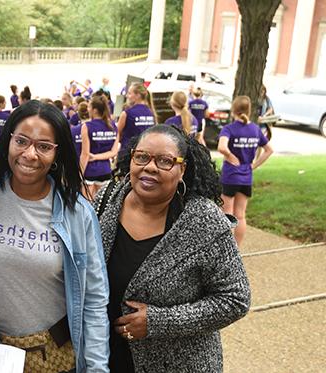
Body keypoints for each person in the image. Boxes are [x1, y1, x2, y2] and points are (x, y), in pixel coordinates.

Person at [0, 100, 110, 373]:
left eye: (43, 146)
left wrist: (97, 368)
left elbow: (94, 300)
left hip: (58, 357)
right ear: (8, 140)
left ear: (58, 153)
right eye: (21, 141)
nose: (30, 154)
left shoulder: (77, 214)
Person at [94, 124, 251, 372]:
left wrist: (159, 321)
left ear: (182, 169)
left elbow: (235, 298)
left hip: (177, 363)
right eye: (142, 157)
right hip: (106, 356)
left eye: (165, 161)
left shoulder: (203, 219)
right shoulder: (107, 198)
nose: (150, 167)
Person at [218, 95, 273, 245]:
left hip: (230, 176)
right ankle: (237, 249)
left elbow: (221, 147)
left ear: (233, 110)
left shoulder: (229, 129)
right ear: (249, 110)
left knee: (226, 214)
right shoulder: (255, 129)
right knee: (240, 215)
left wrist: (229, 156)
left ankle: (225, 250)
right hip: (246, 178)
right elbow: (269, 150)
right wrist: (254, 165)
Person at [80, 95, 118, 199]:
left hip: (90, 171)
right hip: (105, 170)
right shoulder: (113, 126)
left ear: (95, 110)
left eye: (89, 107)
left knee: (86, 207)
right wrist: (97, 157)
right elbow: (114, 152)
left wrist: (79, 175)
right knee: (101, 206)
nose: (87, 109)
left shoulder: (87, 126)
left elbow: (85, 154)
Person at [117, 82, 157, 153]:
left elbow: (117, 134)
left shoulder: (127, 113)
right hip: (145, 152)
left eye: (129, 93)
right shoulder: (151, 113)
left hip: (128, 154)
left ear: (137, 95)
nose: (127, 96)